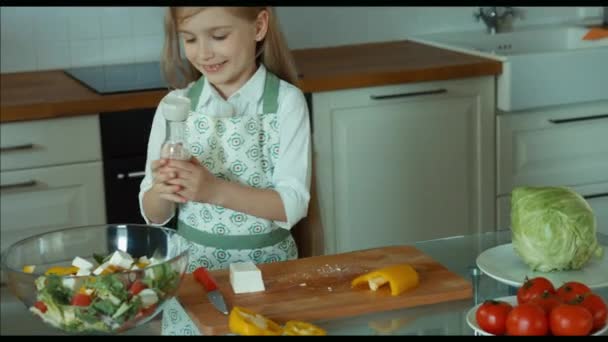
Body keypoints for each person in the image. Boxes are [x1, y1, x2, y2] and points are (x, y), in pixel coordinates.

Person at [138, 6, 311, 335]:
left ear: (259, 26)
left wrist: (211, 190)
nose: (203, 53)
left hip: (270, 270)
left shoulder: (287, 103)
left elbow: (292, 204)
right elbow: (154, 214)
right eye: (189, 39)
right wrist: (163, 190)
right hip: (194, 275)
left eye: (218, 36)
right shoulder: (175, 107)